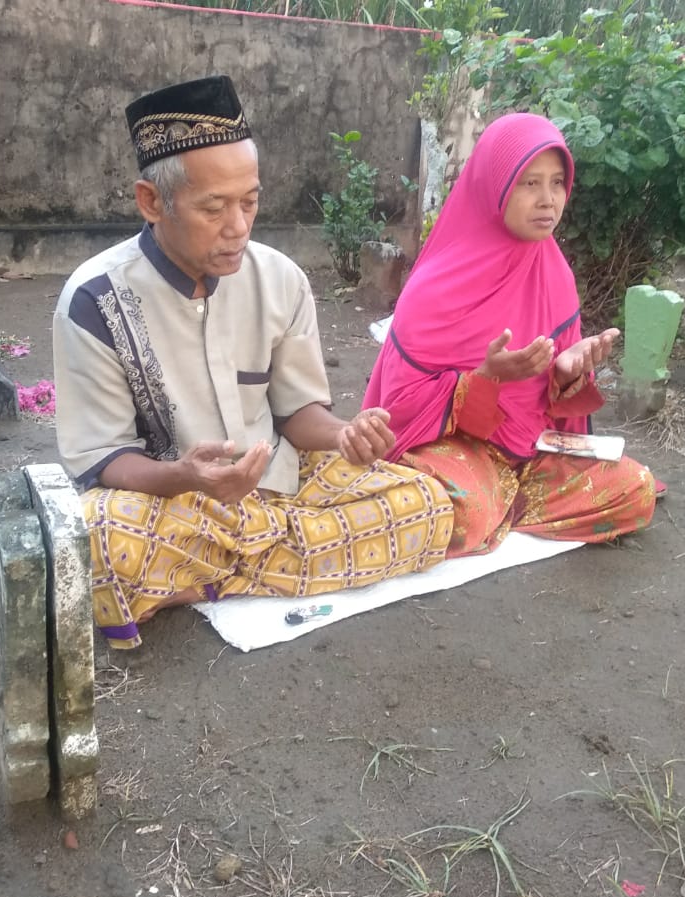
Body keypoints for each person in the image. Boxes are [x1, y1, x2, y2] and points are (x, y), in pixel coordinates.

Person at [53, 76, 453, 649]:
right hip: (169, 502)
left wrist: (345, 435)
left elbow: (296, 413)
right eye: (213, 207)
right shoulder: (94, 302)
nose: (238, 226)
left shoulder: (281, 279)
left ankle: (204, 576)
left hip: (282, 485)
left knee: (425, 503)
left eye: (250, 201)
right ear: (151, 202)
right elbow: (104, 457)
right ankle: (279, 559)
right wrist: (183, 476)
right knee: (99, 534)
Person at [362, 113, 657, 558]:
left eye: (557, 183)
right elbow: (399, 406)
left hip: (532, 454)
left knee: (636, 488)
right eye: (529, 183)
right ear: (494, 185)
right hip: (459, 453)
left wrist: (566, 372)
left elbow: (550, 408)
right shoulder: (435, 288)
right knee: (460, 509)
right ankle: (492, 508)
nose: (548, 200)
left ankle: (502, 509)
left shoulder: (554, 273)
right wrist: (481, 381)